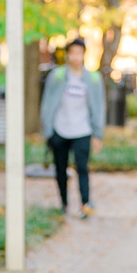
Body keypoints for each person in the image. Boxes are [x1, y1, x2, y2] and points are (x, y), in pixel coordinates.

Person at [40, 38, 107, 218]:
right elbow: (47, 103)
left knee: (82, 167)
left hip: (83, 130)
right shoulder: (57, 76)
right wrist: (48, 130)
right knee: (60, 169)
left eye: (79, 53)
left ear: (83, 54)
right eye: (72, 53)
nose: (76, 57)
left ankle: (85, 204)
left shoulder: (93, 79)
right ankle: (64, 203)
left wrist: (97, 134)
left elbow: (99, 107)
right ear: (68, 55)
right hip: (59, 130)